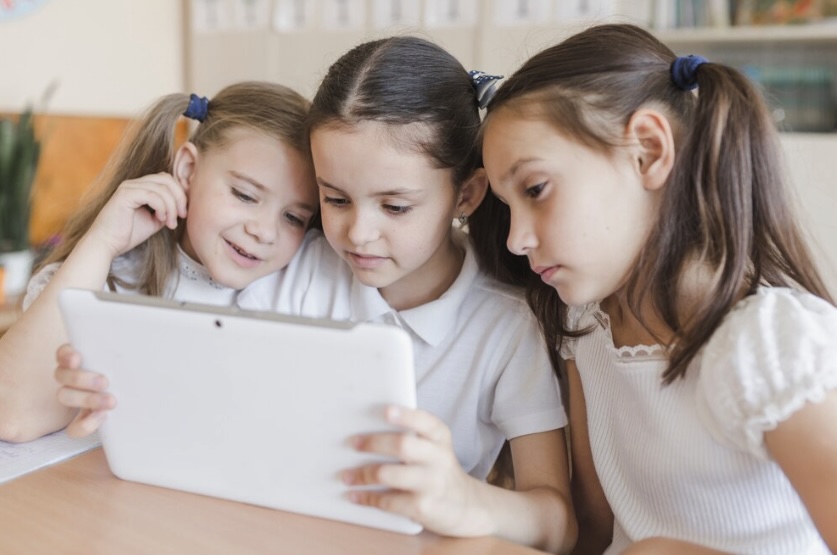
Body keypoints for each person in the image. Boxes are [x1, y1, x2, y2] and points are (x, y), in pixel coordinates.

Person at [53, 37, 577, 553]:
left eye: (394, 207)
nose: (357, 233)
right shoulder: (292, 266)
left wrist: (464, 499)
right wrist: (117, 384)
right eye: (335, 198)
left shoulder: (506, 324)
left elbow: (557, 523)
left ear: (466, 193)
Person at [477, 23, 837, 555]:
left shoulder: (768, 341)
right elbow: (595, 535)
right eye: (509, 207)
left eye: (536, 189)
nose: (516, 239)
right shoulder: (586, 330)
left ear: (647, 151)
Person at [0, 81, 318, 443]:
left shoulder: (303, 287)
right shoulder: (109, 278)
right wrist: (102, 243)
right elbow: (10, 415)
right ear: (187, 170)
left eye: (294, 217)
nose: (265, 232)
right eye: (245, 195)